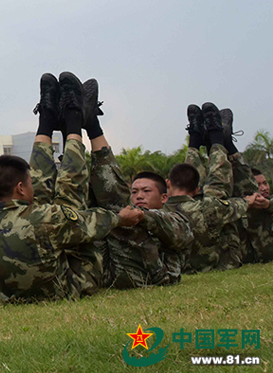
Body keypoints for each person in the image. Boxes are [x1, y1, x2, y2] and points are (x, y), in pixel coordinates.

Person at [0, 72, 142, 303]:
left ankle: (47, 118)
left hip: (12, 295)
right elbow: (88, 221)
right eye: (30, 182)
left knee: (44, 213)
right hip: (64, 289)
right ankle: (74, 119)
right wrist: (120, 218)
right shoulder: (47, 218)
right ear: (21, 188)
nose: (34, 184)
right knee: (69, 198)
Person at [83, 85, 193, 289]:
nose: (139, 196)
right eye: (134, 192)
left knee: (117, 207)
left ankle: (91, 124)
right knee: (93, 205)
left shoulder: (175, 220)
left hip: (150, 277)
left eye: (146, 191)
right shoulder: (122, 215)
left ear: (164, 198)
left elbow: (179, 235)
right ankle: (74, 124)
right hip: (105, 274)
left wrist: (141, 217)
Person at [164, 103, 255, 274]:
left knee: (207, 188)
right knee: (215, 194)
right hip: (221, 261)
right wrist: (247, 201)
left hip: (181, 266)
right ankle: (215, 138)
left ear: (167, 184)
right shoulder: (209, 207)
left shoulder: (160, 212)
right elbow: (240, 203)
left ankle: (200, 138)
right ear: (197, 190)